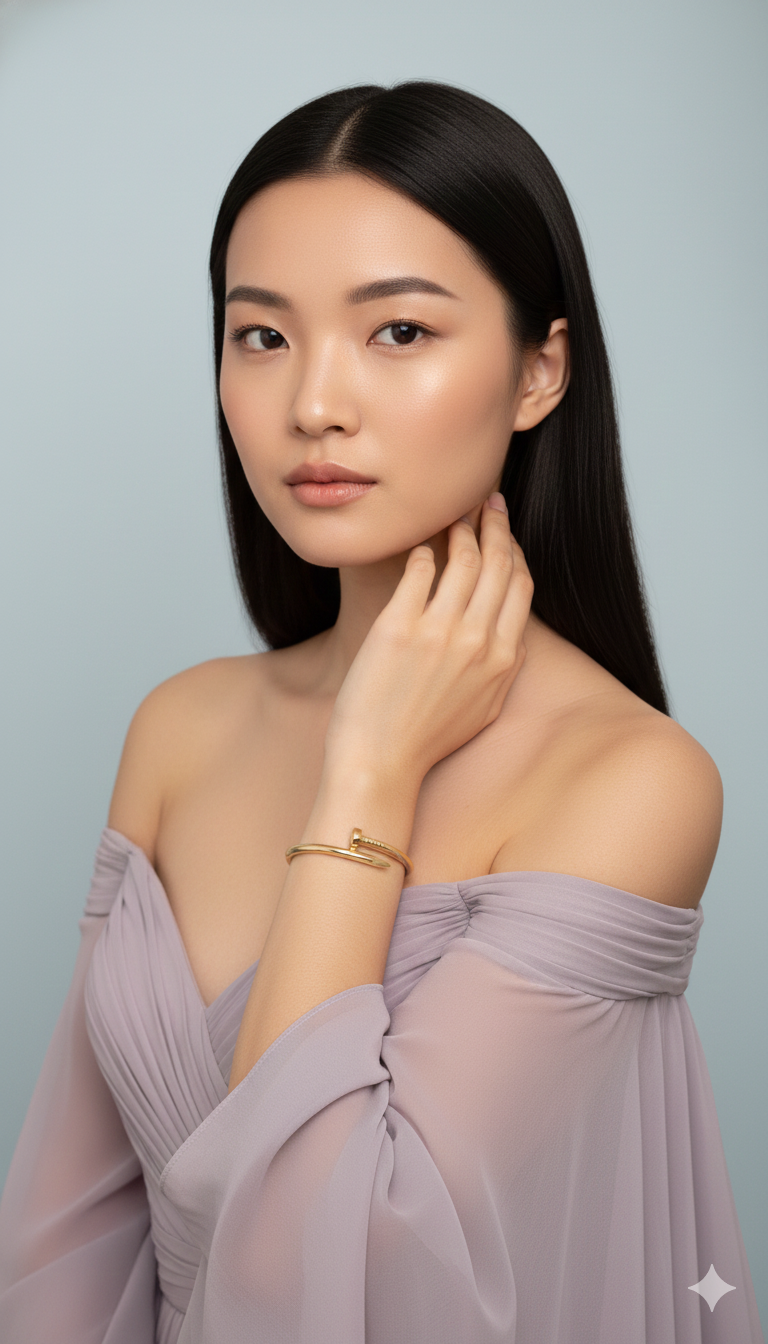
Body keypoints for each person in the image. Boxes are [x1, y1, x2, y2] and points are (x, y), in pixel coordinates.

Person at [0, 80, 762, 1344]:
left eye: (398, 333)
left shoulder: (633, 781)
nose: (313, 404)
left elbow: (329, 1273)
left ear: (539, 371)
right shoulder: (180, 730)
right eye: (261, 336)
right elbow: (61, 1244)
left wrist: (369, 774)